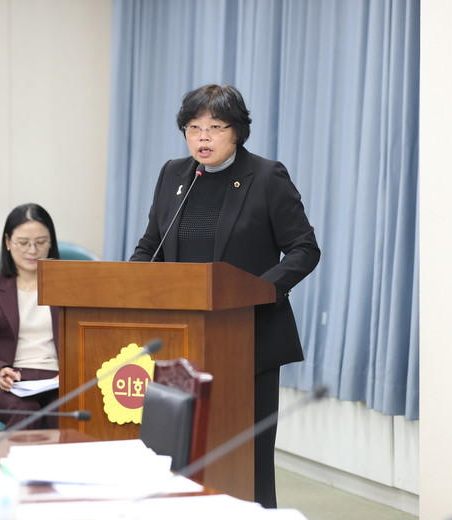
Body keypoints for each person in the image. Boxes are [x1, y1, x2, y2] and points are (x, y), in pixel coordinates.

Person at [131, 84, 320, 508]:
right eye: (193, 127)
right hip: (182, 339)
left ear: (237, 131)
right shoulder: (173, 175)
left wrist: (259, 292)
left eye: (215, 127)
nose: (203, 137)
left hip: (247, 337)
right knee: (182, 452)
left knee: (246, 456)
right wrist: (132, 284)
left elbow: (305, 249)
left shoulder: (266, 177)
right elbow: (150, 246)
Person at [0, 203, 61, 429]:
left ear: (51, 243)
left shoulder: (68, 285)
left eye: (41, 242)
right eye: (23, 243)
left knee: (63, 410)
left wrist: (72, 373)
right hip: (7, 382)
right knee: (25, 411)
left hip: (56, 380)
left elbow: (82, 341)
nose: (32, 250)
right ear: (8, 242)